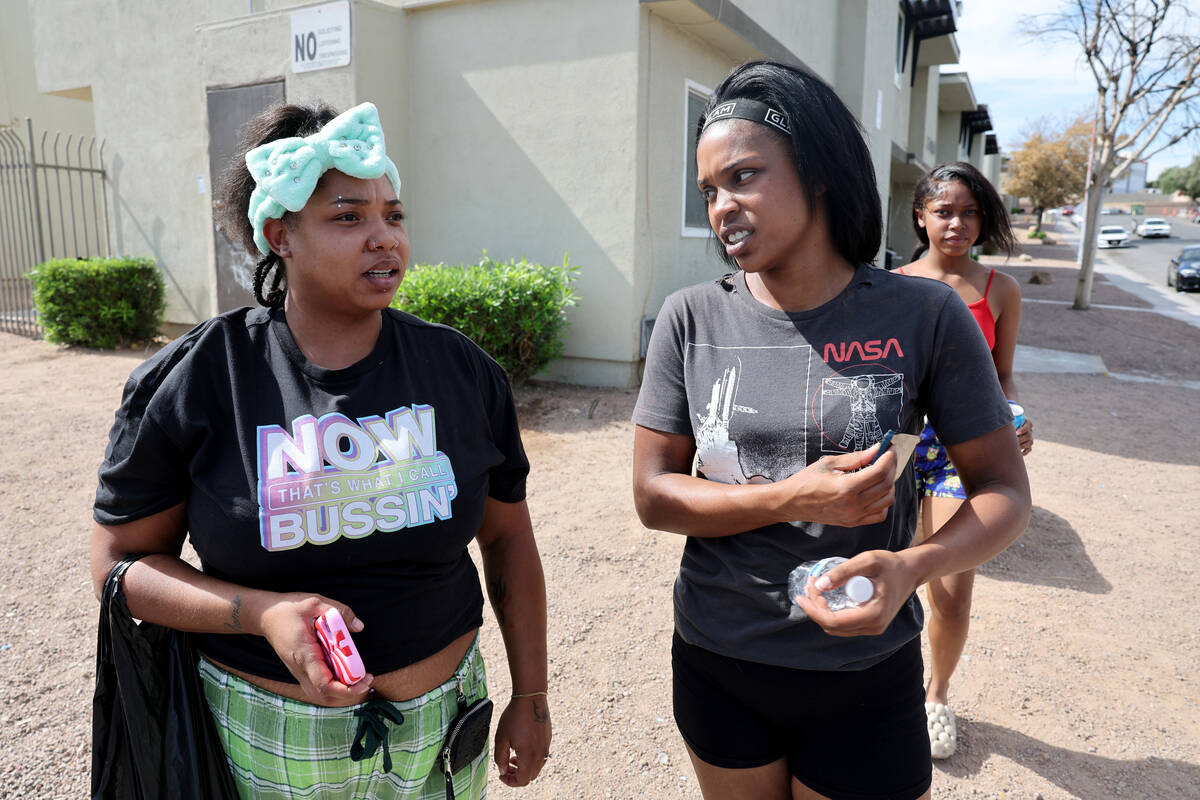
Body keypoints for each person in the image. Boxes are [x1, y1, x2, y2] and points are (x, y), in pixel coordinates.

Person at [90, 101, 550, 799]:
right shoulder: (203, 377)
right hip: (268, 743)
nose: (383, 238)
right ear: (280, 235)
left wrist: (532, 696)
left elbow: (509, 536)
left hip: (444, 731)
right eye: (347, 217)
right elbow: (119, 565)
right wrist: (260, 613)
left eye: (393, 215)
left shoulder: (460, 371)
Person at [631, 61, 1031, 800]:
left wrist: (913, 567)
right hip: (721, 658)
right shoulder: (691, 318)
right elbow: (654, 497)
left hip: (865, 668)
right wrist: (790, 498)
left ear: (816, 174)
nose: (722, 206)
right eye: (709, 191)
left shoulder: (923, 315)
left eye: (744, 176)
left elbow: (1005, 491)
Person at [898, 162, 1034, 759]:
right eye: (944, 210)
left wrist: (1015, 420)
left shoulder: (1000, 289)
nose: (957, 223)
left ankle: (935, 696)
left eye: (970, 212)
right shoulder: (890, 284)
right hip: (898, 444)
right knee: (874, 565)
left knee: (949, 589)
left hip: (961, 448)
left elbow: (1000, 379)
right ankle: (869, 683)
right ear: (920, 216)